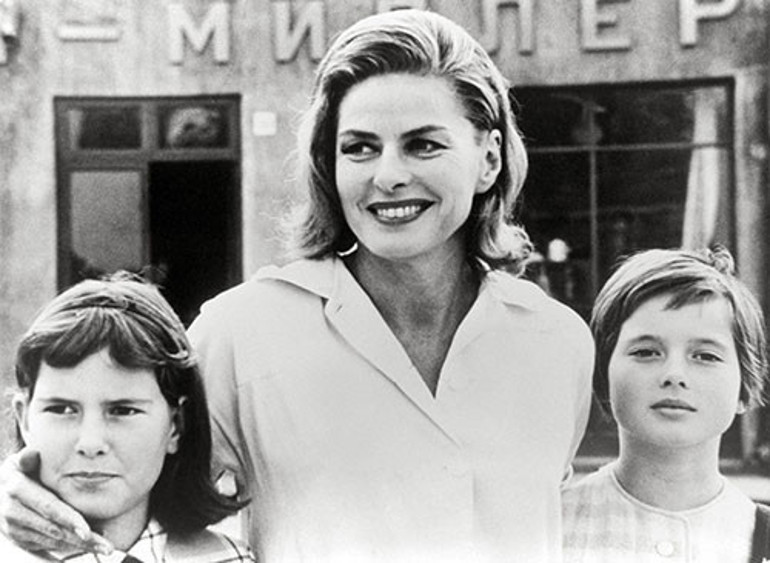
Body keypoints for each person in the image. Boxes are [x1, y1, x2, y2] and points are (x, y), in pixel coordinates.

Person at [0, 9, 593, 562]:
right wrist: (18, 488)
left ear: (489, 159)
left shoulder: (557, 342)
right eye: (359, 148)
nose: (388, 175)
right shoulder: (242, 333)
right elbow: (117, 466)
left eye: (423, 145)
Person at [2, 273, 254, 562]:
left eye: (122, 411)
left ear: (176, 426)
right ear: (24, 419)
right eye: (62, 409)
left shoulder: (228, 558)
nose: (91, 444)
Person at [561, 247, 770, 562]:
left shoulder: (759, 536)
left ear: (744, 386)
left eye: (705, 356)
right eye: (646, 352)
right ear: (604, 373)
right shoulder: (550, 527)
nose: (674, 375)